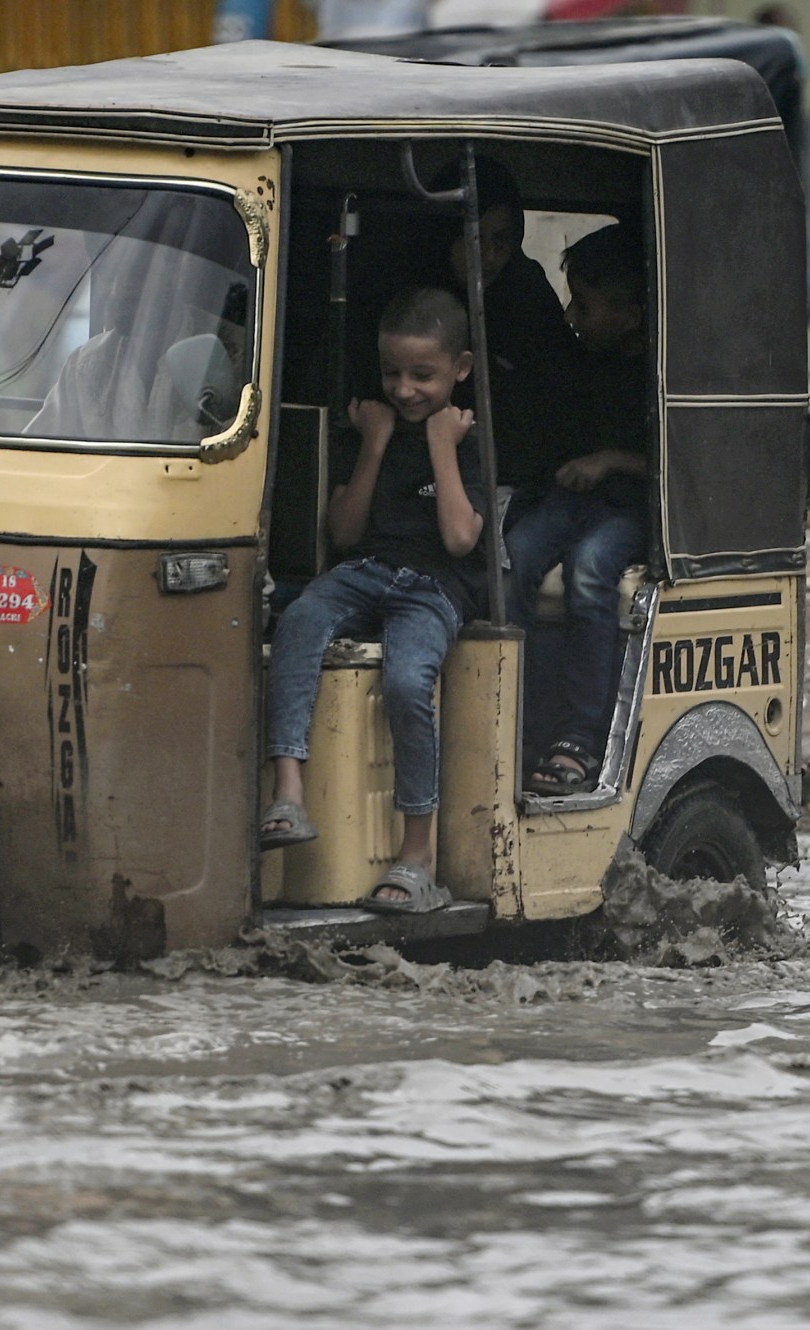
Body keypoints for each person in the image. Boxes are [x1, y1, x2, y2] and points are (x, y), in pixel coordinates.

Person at [259, 286, 487, 915]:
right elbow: (345, 531)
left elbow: (461, 537)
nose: (406, 390)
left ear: (460, 370)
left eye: (424, 376)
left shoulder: (467, 433)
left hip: (433, 588)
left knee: (409, 682)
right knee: (300, 618)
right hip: (368, 568)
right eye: (393, 373)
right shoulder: (374, 424)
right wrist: (374, 444)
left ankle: (418, 856)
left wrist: (442, 445)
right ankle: (288, 792)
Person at [504, 224, 649, 795]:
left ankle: (580, 736)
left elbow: (675, 462)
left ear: (633, 315)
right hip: (572, 501)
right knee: (513, 559)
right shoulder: (579, 356)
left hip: (628, 511)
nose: (570, 316)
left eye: (583, 305)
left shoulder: (659, 371)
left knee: (591, 570)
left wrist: (610, 460)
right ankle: (521, 723)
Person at [423, 157, 580, 505]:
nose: (490, 258)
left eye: (502, 241)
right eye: (475, 239)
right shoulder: (412, 291)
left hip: (516, 484)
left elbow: (559, 399)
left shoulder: (526, 294)